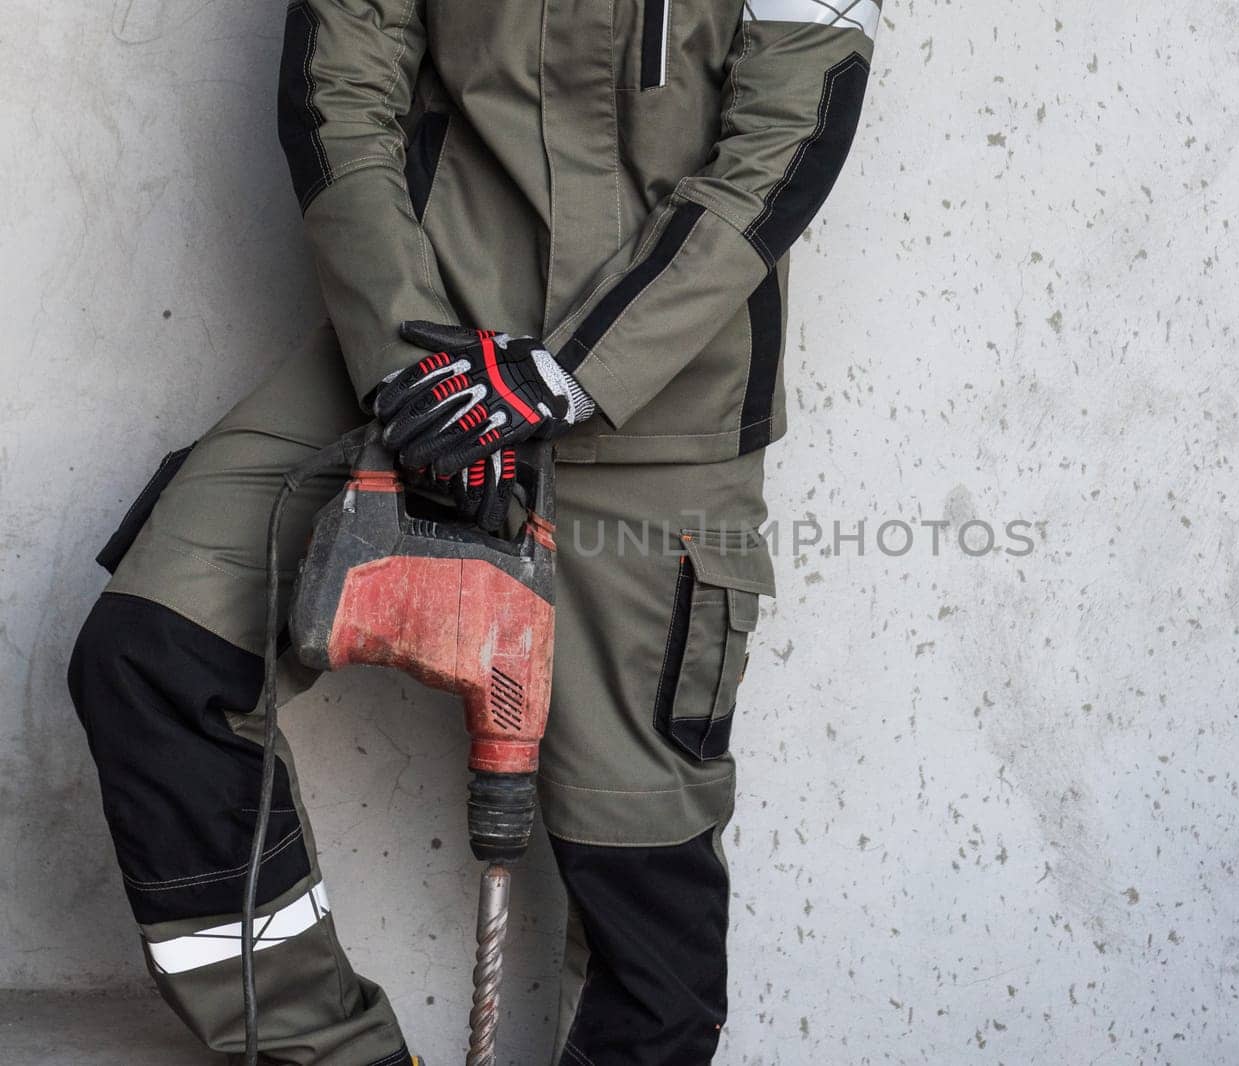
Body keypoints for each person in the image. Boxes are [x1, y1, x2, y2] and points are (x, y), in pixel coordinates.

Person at [66, 0, 880, 1062]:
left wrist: (562, 377)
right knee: (154, 655)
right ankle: (330, 1052)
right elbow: (337, 90)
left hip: (659, 405)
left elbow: (783, 143)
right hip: (412, 350)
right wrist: (416, 372)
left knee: (643, 889)